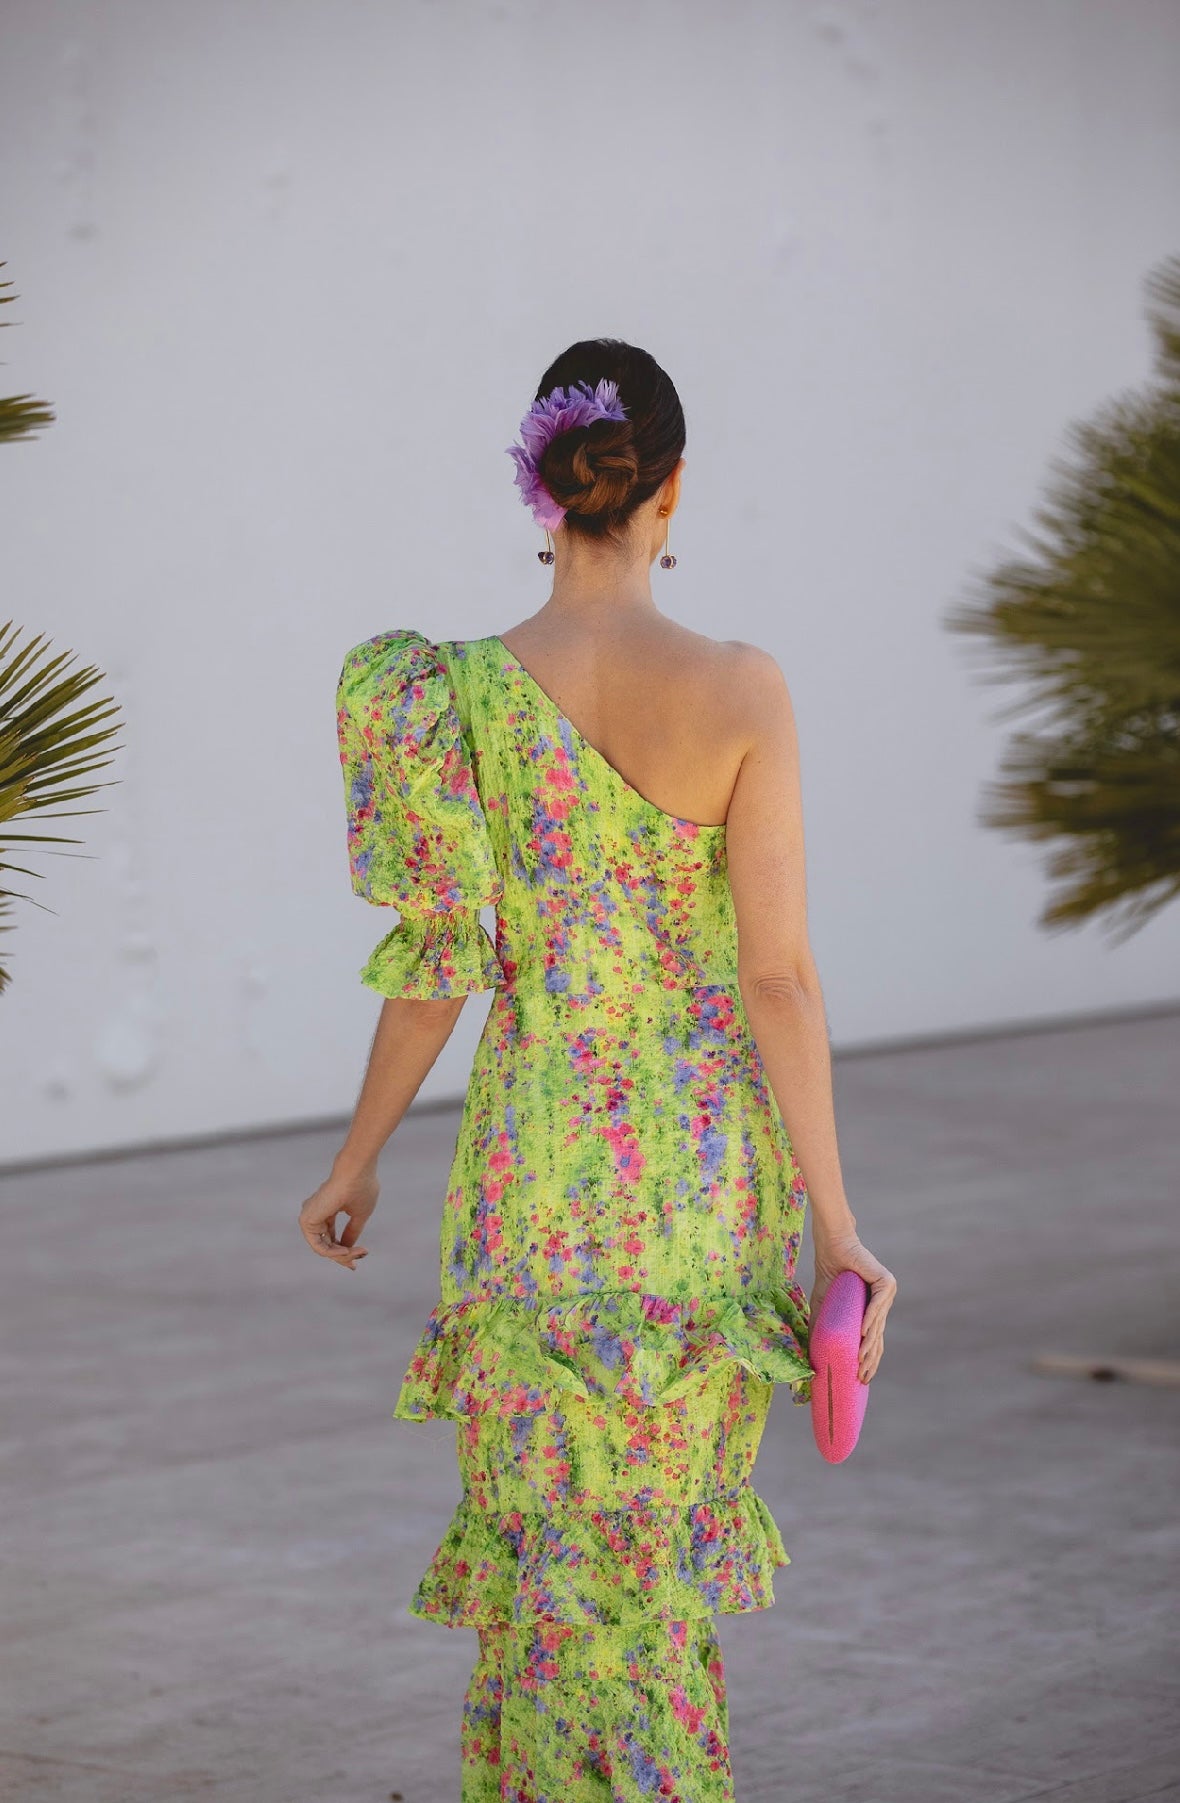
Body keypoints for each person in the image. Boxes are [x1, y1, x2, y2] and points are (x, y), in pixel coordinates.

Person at [299, 338, 897, 1800]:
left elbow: (439, 971)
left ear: (543, 488)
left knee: (546, 1575)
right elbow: (777, 978)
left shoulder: (446, 695)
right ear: (669, 490)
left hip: (532, 1186)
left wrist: (357, 1158)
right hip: (700, 1195)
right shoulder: (742, 689)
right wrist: (839, 1229)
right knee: (652, 1586)